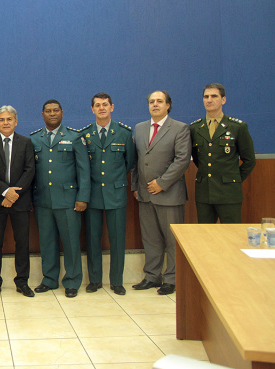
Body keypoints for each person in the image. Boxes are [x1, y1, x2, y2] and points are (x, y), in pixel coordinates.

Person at [131, 91, 191, 295]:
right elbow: (136, 161)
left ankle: (172, 279)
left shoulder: (180, 128)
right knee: (151, 238)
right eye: (151, 102)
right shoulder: (139, 129)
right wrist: (135, 187)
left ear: (168, 105)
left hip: (169, 194)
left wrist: (162, 183)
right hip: (145, 194)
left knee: (172, 240)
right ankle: (152, 276)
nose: (155, 104)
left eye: (159, 101)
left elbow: (182, 160)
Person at [31, 99, 90, 298]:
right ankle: (49, 279)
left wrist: (83, 197)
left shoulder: (74, 137)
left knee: (71, 242)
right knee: (47, 242)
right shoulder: (35, 139)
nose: (52, 113)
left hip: (68, 200)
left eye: (56, 110)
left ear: (62, 113)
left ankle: (72, 281)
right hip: (43, 201)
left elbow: (84, 170)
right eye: (48, 111)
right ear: (42, 115)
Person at [82, 93, 135, 296]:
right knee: (93, 239)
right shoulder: (85, 135)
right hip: (93, 194)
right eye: (97, 105)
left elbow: (129, 162)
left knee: (117, 239)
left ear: (112, 107)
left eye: (105, 105)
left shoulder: (123, 133)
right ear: (92, 109)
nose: (101, 108)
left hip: (116, 193)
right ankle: (95, 280)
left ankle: (117, 281)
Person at [0, 105, 35, 298]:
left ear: (16, 121)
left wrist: (14, 195)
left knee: (22, 243)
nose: (5, 123)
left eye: (9, 119)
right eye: (2, 120)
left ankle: (22, 282)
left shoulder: (26, 142)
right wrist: (5, 192)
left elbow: (30, 170)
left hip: (20, 202)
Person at [190, 83, 255, 224]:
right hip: (204, 193)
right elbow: (197, 158)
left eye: (214, 96)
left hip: (229, 193)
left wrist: (233, 179)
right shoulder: (195, 128)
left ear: (223, 100)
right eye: (206, 96)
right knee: (206, 236)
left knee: (232, 236)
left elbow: (249, 160)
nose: (209, 100)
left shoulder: (237, 127)